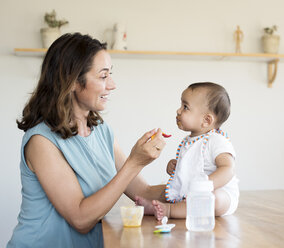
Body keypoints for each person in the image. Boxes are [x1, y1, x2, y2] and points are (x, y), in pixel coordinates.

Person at [7, 33, 167, 248]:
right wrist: (135, 162)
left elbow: (143, 192)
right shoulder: (41, 141)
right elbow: (80, 219)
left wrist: (192, 183)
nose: (112, 85)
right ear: (72, 81)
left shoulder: (101, 131)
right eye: (103, 76)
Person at [136, 82, 239, 220]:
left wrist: (206, 186)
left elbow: (228, 169)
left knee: (214, 198)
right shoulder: (189, 141)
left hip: (222, 196)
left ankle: (169, 210)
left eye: (185, 107)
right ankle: (153, 207)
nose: (178, 111)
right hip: (193, 194)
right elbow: (192, 166)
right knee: (173, 191)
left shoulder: (216, 140)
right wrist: (176, 167)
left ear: (206, 120)